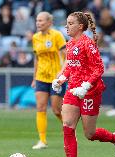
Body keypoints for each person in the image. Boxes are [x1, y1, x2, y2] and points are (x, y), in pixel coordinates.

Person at [51, 11, 115, 157]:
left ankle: (114, 138)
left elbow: (99, 68)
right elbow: (71, 66)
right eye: (67, 23)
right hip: (72, 90)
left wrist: (86, 86)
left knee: (89, 134)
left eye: (70, 23)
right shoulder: (70, 44)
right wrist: (61, 79)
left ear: (80, 26)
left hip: (90, 91)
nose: (66, 26)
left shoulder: (88, 43)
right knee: (67, 126)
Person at [31, 12, 67, 149]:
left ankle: (69, 130)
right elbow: (37, 59)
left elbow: (67, 56)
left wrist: (62, 72)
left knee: (57, 110)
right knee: (40, 107)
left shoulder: (57, 35)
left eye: (41, 21)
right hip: (41, 77)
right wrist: (34, 78)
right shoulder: (35, 37)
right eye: (37, 20)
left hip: (55, 78)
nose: (38, 23)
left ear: (49, 22)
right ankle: (42, 140)